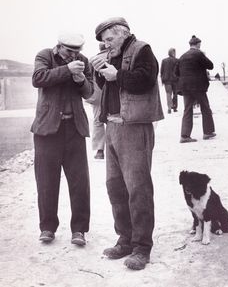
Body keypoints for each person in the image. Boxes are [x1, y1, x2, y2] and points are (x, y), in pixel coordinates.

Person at [90, 17, 164, 270]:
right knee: (115, 187)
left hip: (134, 126)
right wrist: (100, 71)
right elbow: (106, 86)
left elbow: (146, 80)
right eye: (103, 42)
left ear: (123, 33)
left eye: (109, 39)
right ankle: (125, 239)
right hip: (112, 125)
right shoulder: (111, 54)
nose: (106, 45)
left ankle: (142, 247)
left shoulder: (142, 49)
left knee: (138, 188)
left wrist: (116, 74)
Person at [31, 32, 93, 245]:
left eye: (77, 52)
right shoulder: (45, 56)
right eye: (69, 51)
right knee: (47, 182)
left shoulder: (83, 62)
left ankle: (79, 230)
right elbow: (38, 79)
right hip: (47, 130)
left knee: (80, 182)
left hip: (74, 129)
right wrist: (67, 70)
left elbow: (89, 92)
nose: (73, 56)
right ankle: (47, 228)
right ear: (58, 47)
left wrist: (81, 79)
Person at [175, 35, 216, 143]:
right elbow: (210, 65)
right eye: (200, 44)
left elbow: (176, 73)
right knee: (205, 108)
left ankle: (184, 136)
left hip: (185, 87)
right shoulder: (199, 54)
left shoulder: (182, 56)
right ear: (198, 44)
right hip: (198, 86)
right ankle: (208, 132)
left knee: (187, 110)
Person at [86, 43, 106, 159]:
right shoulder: (114, 57)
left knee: (98, 121)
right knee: (115, 119)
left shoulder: (92, 60)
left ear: (99, 49)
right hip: (114, 94)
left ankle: (100, 150)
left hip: (98, 95)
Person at [160, 48, 178, 113]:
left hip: (166, 80)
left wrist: (162, 79)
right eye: (175, 52)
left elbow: (161, 71)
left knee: (168, 94)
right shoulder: (177, 60)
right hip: (175, 80)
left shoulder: (164, 60)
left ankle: (169, 108)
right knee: (175, 93)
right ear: (173, 53)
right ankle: (175, 107)